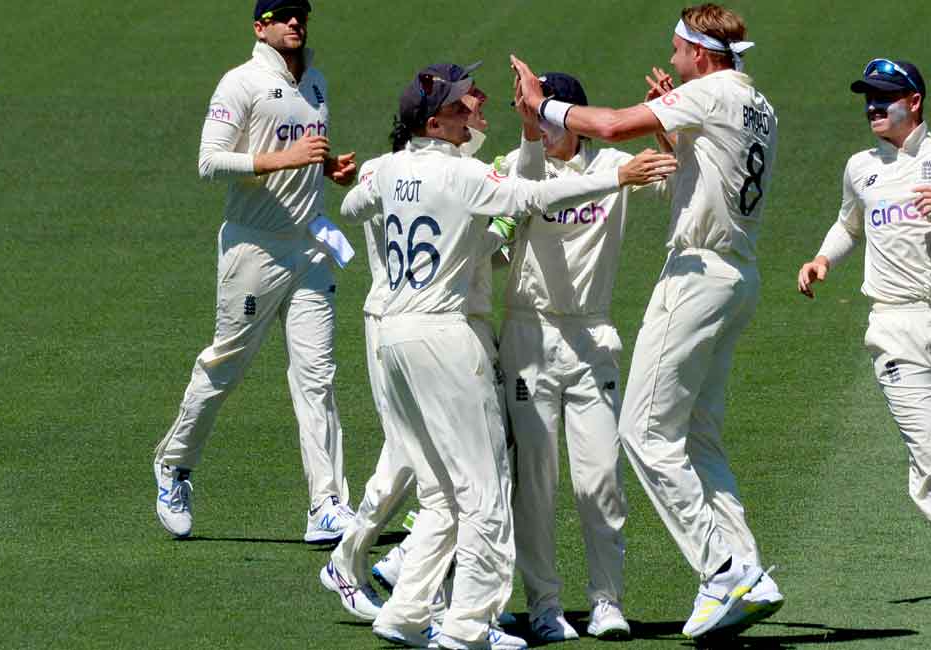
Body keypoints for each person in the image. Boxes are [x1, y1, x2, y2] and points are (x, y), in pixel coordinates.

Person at [335, 65, 675, 650]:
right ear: (435, 121)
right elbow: (536, 193)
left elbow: (352, 209)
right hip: (446, 336)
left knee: (441, 491)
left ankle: (405, 612)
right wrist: (614, 176)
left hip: (390, 336)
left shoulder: (391, 168)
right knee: (486, 492)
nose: (473, 111)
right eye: (461, 107)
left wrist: (367, 181)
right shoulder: (465, 176)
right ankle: (469, 626)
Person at [511, 2, 783, 637]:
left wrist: (542, 107)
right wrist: (676, 125)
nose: (673, 61)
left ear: (703, 53)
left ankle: (722, 572)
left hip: (695, 274)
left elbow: (607, 127)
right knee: (697, 437)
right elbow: (706, 167)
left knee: (644, 434)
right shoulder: (756, 101)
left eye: (679, 49)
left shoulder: (711, 90)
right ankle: (747, 567)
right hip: (739, 274)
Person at [796, 58, 931, 621]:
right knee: (929, 459)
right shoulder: (860, 168)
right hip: (892, 326)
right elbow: (848, 225)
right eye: (867, 97)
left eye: (884, 97)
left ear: (913, 101)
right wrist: (824, 258)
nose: (872, 106)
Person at [152, 0, 358, 543]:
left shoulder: (314, 80)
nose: (295, 22)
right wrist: (281, 160)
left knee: (318, 376)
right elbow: (209, 161)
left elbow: (301, 152)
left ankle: (326, 504)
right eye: (283, 15)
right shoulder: (239, 83)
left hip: (309, 247)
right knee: (226, 366)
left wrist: (326, 171)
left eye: (301, 14)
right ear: (260, 26)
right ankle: (174, 465)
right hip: (254, 251)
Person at [319, 62, 502, 630]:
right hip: (406, 322)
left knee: (436, 470)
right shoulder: (406, 171)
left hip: (439, 325)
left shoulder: (441, 162)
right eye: (469, 96)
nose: (480, 101)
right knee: (410, 462)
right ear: (436, 117)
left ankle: (422, 584)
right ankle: (353, 561)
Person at [496, 72, 666, 642]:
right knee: (535, 483)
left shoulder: (609, 167)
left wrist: (667, 119)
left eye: (549, 117)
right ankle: (544, 606)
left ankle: (606, 601)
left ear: (573, 118)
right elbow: (508, 209)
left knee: (599, 481)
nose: (542, 129)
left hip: (592, 337)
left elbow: (674, 176)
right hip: (528, 336)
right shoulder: (522, 162)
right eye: (534, 116)